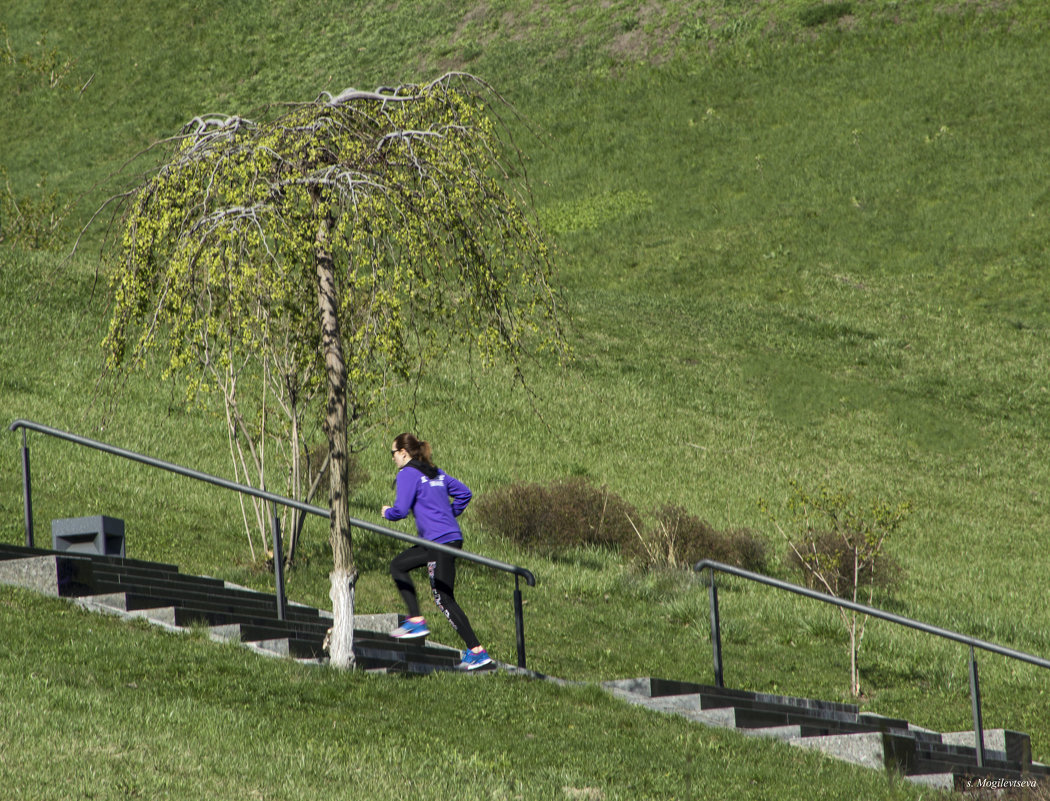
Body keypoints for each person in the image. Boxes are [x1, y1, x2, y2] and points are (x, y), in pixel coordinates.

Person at [381, 432, 493, 670]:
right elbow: (465, 493)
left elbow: (400, 511)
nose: (392, 458)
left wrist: (387, 512)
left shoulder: (408, 473)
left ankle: (475, 651)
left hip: (437, 541)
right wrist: (448, 516)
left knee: (442, 596)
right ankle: (421, 622)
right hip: (447, 539)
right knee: (401, 566)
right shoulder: (435, 472)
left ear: (404, 453)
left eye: (393, 453)